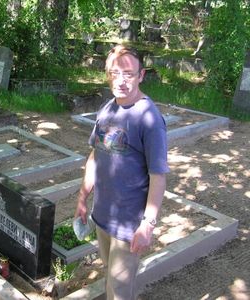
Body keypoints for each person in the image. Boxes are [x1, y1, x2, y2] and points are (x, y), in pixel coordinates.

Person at [74, 45, 169, 300]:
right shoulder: (107, 109)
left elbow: (158, 176)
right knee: (110, 275)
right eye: (114, 73)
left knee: (119, 290)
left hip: (129, 223)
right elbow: (95, 154)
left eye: (128, 74)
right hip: (103, 216)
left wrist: (147, 225)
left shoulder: (148, 118)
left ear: (141, 75)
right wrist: (83, 197)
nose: (121, 81)